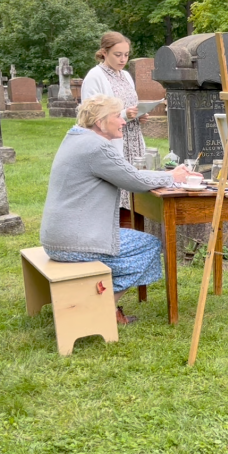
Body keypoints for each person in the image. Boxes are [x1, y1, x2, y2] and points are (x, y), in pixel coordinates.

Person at [41, 95, 191, 324]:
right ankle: (103, 308)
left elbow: (128, 174)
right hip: (76, 244)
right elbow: (134, 180)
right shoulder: (97, 147)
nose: (123, 121)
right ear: (101, 122)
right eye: (116, 116)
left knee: (135, 244)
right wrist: (172, 176)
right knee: (150, 246)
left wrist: (166, 176)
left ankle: (96, 301)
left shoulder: (75, 137)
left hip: (57, 238)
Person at [81, 32, 144, 220]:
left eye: (126, 54)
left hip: (133, 140)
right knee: (116, 195)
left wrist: (139, 115)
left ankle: (136, 228)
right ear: (104, 52)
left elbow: (131, 104)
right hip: (112, 141)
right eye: (118, 54)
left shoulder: (125, 76)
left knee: (137, 193)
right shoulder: (95, 76)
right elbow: (91, 116)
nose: (123, 59)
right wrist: (125, 114)